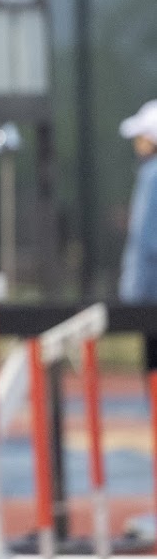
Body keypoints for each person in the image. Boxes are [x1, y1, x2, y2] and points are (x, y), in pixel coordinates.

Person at [119, 100, 157, 384]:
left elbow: (145, 240)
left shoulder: (151, 175)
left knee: (153, 367)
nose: (137, 144)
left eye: (142, 137)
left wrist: (135, 293)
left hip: (151, 294)